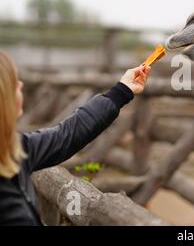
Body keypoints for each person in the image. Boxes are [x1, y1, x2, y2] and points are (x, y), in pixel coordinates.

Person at [0, 51, 150, 225]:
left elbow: (65, 136)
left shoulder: (13, 149)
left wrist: (121, 91)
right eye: (12, 82)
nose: (20, 84)